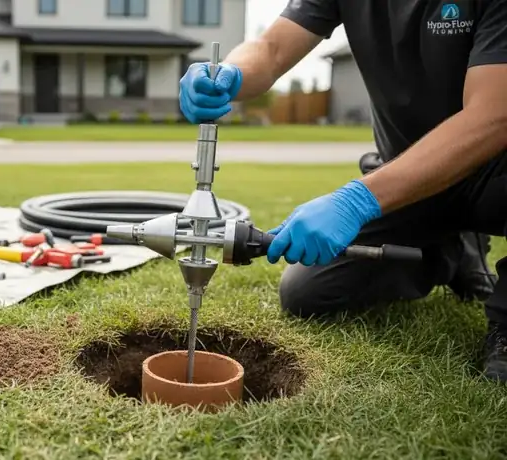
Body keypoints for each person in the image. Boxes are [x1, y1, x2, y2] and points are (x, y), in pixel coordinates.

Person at [178, 0, 507, 383]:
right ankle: (451, 252)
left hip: (495, 173)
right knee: (308, 293)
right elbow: (271, 49)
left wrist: (357, 200)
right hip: (408, 180)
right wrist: (232, 74)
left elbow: (493, 116)